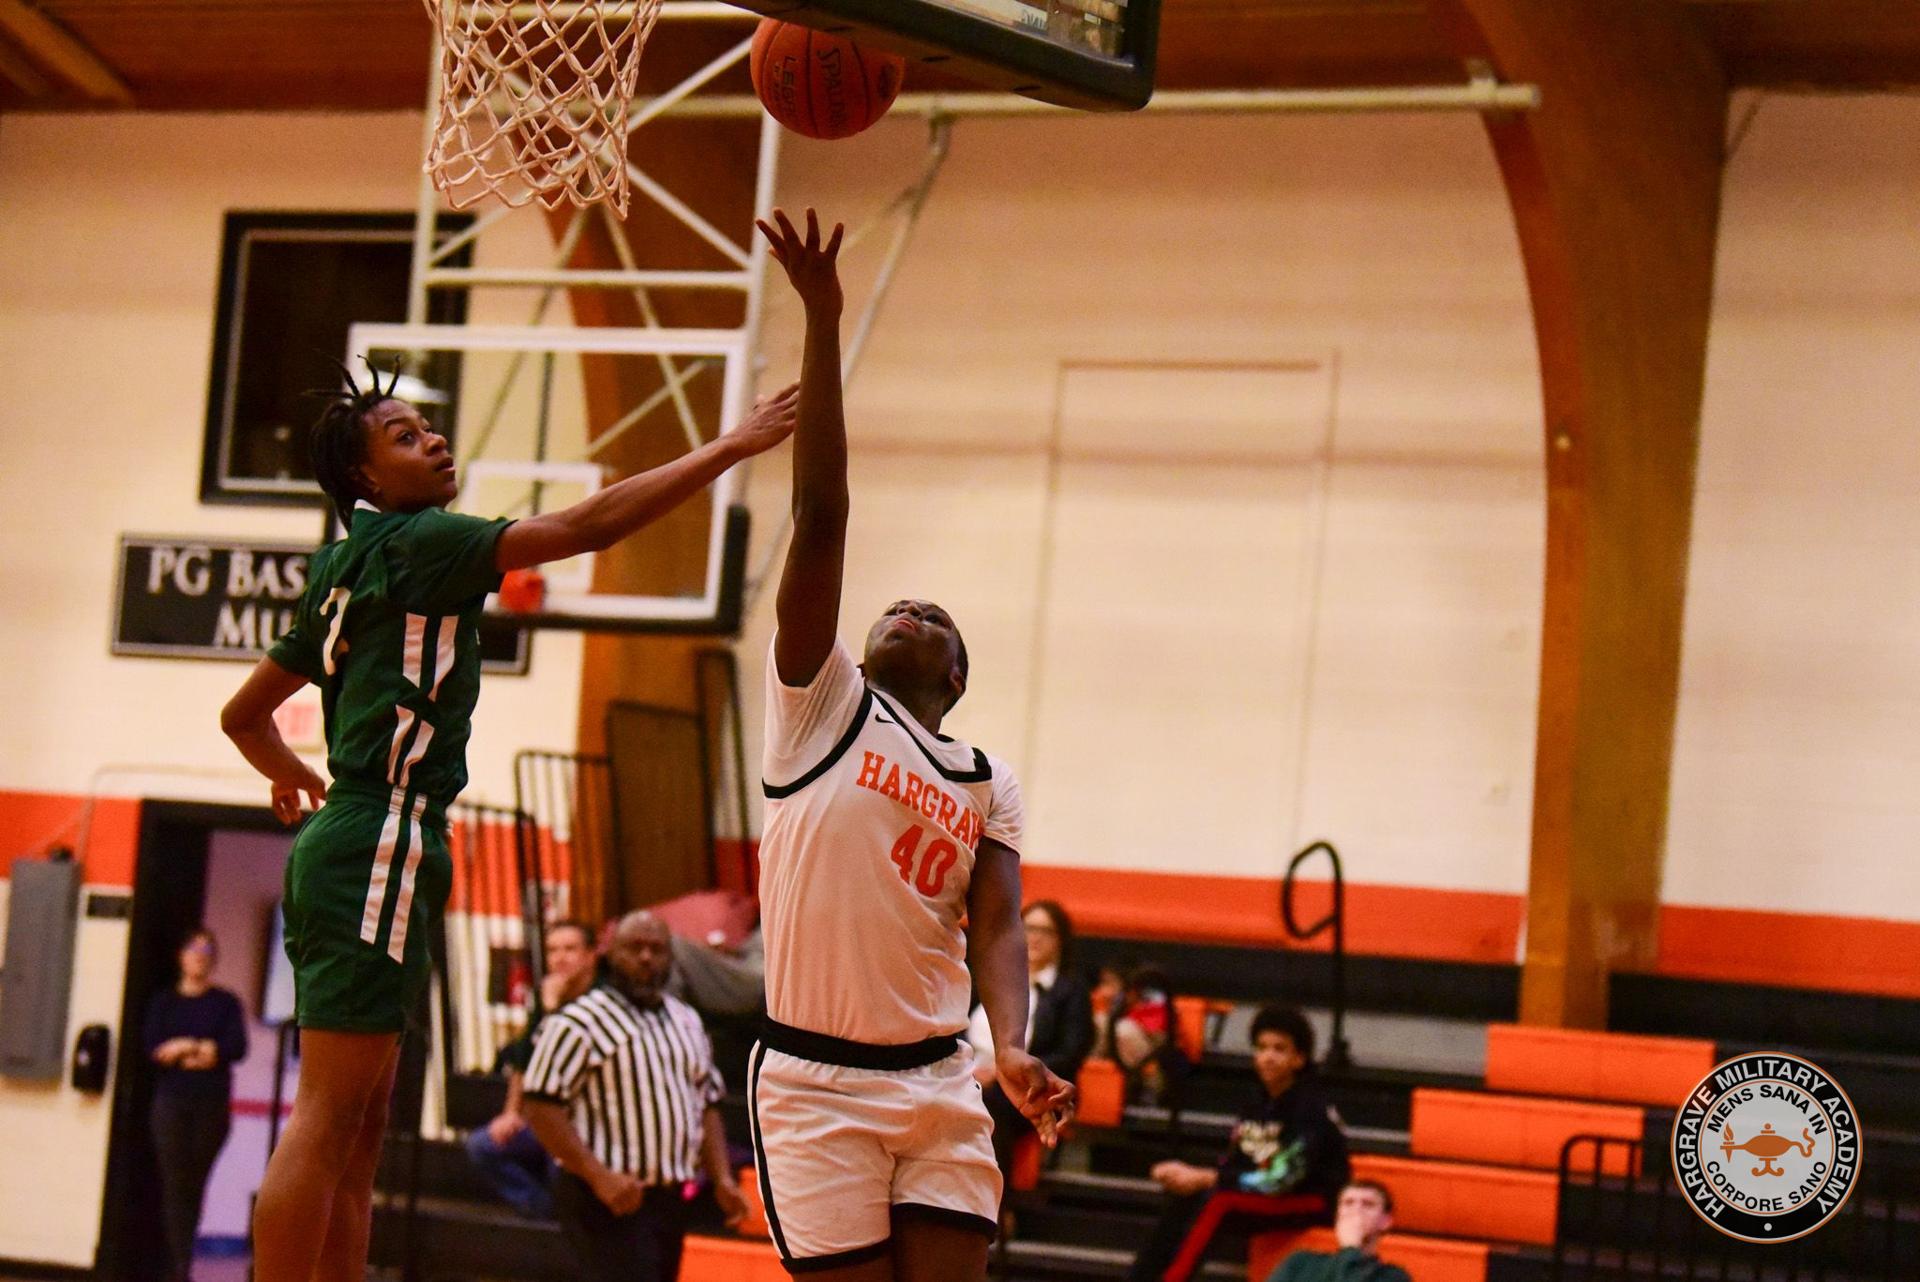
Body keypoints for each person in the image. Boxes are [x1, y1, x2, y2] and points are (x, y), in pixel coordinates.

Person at [219, 361, 796, 1282]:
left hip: (367, 836)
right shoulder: (421, 540)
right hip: (382, 835)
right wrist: (731, 445)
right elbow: (587, 525)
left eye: (427, 427)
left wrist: (291, 776)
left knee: (360, 1129)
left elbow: (243, 716)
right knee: (329, 1119)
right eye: (405, 437)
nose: (433, 441)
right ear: (366, 478)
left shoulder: (341, 562)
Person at [747, 207, 1076, 1282]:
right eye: (895, 607)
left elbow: (999, 922)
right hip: (815, 1083)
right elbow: (822, 512)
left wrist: (1010, 1042)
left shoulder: (984, 777)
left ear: (957, 677)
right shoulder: (821, 706)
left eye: (933, 617)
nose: (909, 609)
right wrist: (823, 315)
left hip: (939, 1077)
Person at [521, 912, 746, 1282]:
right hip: (604, 1197)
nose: (645, 958)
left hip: (669, 1196)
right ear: (610, 954)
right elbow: (540, 1105)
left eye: (657, 949)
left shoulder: (687, 1020)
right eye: (634, 948)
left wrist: (722, 1177)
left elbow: (707, 1100)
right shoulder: (578, 1021)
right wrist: (598, 1175)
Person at [1128, 1005, 1349, 1282]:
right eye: (1262, 1048)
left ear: (1299, 1059)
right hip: (1271, 1196)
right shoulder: (1256, 1104)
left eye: (1279, 1049)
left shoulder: (1311, 1107)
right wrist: (1189, 1176)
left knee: (1221, 1202)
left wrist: (1207, 1177)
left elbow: (1280, 1179)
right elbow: (1235, 1163)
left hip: (1312, 1200)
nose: (1268, 1057)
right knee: (1187, 1197)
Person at [465, 919, 596, 1218]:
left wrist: (551, 1010)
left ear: (590, 956)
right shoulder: (545, 996)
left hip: (584, 1125)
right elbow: (523, 1062)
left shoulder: (601, 1002)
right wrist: (512, 1112)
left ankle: (567, 1220)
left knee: (560, 1163)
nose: (560, 958)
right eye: (553, 950)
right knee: (483, 1146)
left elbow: (566, 1055)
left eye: (570, 949)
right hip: (542, 1119)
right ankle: (544, 1213)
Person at [145, 927, 250, 1282]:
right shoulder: (164, 1002)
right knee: (175, 1183)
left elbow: (235, 1047)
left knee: (193, 1184)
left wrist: (184, 1047)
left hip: (211, 1106)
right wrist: (202, 1048)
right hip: (171, 1104)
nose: (199, 956)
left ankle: (179, 1264)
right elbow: (155, 1048)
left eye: (207, 950)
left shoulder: (225, 1003)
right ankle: (177, 1268)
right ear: (181, 956)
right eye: (193, 948)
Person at [966, 900, 1095, 1182]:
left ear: (1060, 940)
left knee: (988, 1106)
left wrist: (1005, 1072)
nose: (1035, 937)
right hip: (969, 1078)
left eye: (1045, 931)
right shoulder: (991, 978)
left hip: (1032, 1090)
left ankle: (996, 1200)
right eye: (1029, 928)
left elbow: (1071, 1053)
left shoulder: (1071, 990)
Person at [1264, 1181, 1408, 1282]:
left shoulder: (1392, 1276)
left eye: (1368, 1204)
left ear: (1385, 1221)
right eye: (1348, 1203)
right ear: (1337, 1215)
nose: (1356, 1210)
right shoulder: (1301, 1262)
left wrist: (1351, 1248)